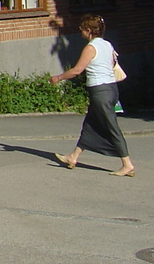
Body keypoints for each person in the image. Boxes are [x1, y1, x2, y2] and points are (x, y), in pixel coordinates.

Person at [50, 14, 135, 177]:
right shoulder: (107, 45)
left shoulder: (91, 48)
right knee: (90, 125)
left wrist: (58, 77)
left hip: (100, 91)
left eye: (82, 29)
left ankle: (127, 164)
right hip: (111, 89)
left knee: (111, 126)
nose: (81, 32)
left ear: (88, 30)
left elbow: (77, 70)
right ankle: (73, 157)